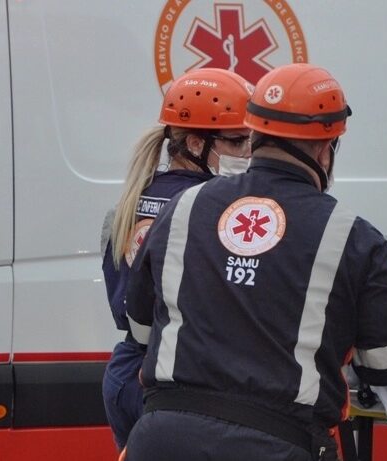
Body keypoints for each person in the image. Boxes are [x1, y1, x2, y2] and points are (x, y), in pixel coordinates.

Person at [123, 63, 387, 460]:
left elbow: (141, 330)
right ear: (325, 148)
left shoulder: (184, 208)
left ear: (255, 135)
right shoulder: (352, 236)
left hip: (162, 442)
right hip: (277, 446)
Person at [99, 67, 253, 450]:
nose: (248, 153)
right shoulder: (211, 209)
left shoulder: (132, 199)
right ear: (197, 145)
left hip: (126, 373)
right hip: (178, 386)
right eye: (237, 141)